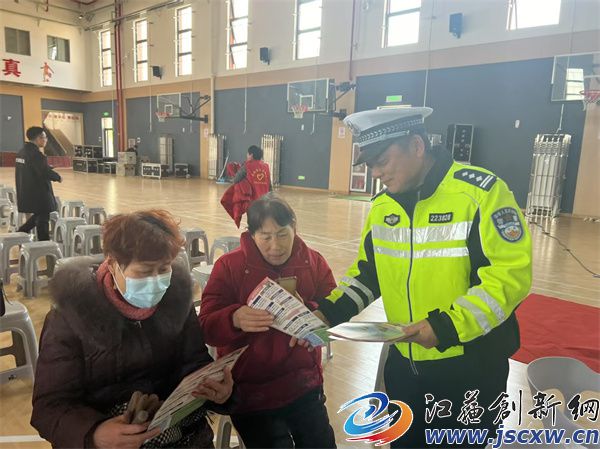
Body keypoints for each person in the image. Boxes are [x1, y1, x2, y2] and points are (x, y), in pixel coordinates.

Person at [315, 107, 532, 448]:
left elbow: (509, 277)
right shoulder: (383, 207)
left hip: (470, 370)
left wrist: (445, 326)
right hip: (405, 366)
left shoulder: (481, 194)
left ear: (416, 145)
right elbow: (368, 274)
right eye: (370, 165)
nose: (376, 173)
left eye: (382, 161)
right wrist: (328, 312)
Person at [31, 210, 233, 449]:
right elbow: (49, 406)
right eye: (144, 272)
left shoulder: (176, 301)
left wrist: (216, 389)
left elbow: (194, 361)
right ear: (113, 264)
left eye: (164, 269)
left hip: (183, 436)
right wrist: (94, 433)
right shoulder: (71, 317)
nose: (156, 281)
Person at [200, 193, 337, 449]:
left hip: (303, 382)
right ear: (252, 235)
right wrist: (234, 318)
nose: (276, 246)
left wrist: (309, 312)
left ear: (294, 228)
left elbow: (333, 320)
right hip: (251, 391)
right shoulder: (229, 267)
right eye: (266, 237)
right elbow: (206, 327)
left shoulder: (313, 262)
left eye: (283, 234)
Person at [15, 126, 62, 241]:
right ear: (38, 138)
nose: (46, 140)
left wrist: (46, 167)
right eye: (44, 137)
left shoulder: (22, 152)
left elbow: (33, 168)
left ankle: (21, 232)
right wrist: (58, 177)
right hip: (38, 192)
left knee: (40, 215)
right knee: (43, 218)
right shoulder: (36, 154)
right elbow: (44, 171)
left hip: (26, 189)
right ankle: (43, 244)